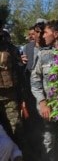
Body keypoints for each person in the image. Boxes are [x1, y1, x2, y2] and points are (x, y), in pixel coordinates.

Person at [31, 20, 58, 161]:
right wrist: (42, 102)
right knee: (48, 145)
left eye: (46, 32)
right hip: (48, 110)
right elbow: (35, 80)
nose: (43, 36)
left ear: (56, 34)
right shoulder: (43, 54)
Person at [21, 20, 48, 161]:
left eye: (41, 32)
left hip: (46, 96)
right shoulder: (27, 48)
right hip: (30, 96)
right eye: (36, 32)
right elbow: (24, 72)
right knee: (32, 129)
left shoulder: (49, 49)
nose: (38, 35)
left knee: (46, 131)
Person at [0, 19, 25, 154]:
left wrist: (23, 97)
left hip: (10, 97)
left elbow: (20, 71)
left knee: (16, 129)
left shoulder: (10, 48)